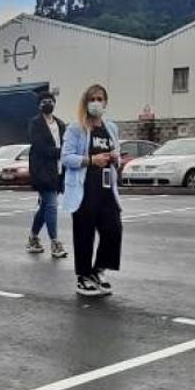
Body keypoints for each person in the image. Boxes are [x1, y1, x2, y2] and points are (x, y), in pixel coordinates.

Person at [62, 83, 122, 297]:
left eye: (100, 99)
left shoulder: (111, 128)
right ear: (86, 102)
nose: (96, 103)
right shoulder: (76, 128)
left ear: (105, 102)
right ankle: (83, 276)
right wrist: (90, 160)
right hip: (85, 187)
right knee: (84, 233)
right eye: (92, 99)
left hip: (107, 188)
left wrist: (116, 158)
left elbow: (118, 154)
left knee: (113, 229)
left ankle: (99, 270)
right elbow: (66, 157)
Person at [27, 91, 69, 258]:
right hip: (42, 171)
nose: (47, 103)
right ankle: (55, 243)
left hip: (58, 171)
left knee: (45, 206)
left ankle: (33, 238)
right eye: (43, 101)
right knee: (51, 204)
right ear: (39, 105)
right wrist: (62, 152)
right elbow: (40, 147)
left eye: (50, 101)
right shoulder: (35, 124)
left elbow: (67, 144)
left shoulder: (60, 124)